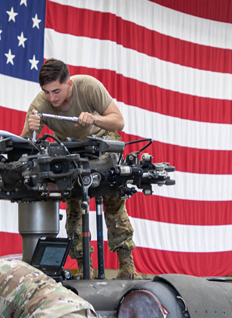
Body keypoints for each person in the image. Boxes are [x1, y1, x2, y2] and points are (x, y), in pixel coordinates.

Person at [20, 58, 142, 279]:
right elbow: (24, 146)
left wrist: (94, 118)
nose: (51, 98)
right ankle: (85, 268)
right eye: (47, 92)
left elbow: (119, 122)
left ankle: (127, 266)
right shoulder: (40, 104)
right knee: (74, 208)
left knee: (113, 199)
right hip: (70, 151)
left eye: (56, 91)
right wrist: (30, 130)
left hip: (101, 142)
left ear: (69, 84)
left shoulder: (88, 86)